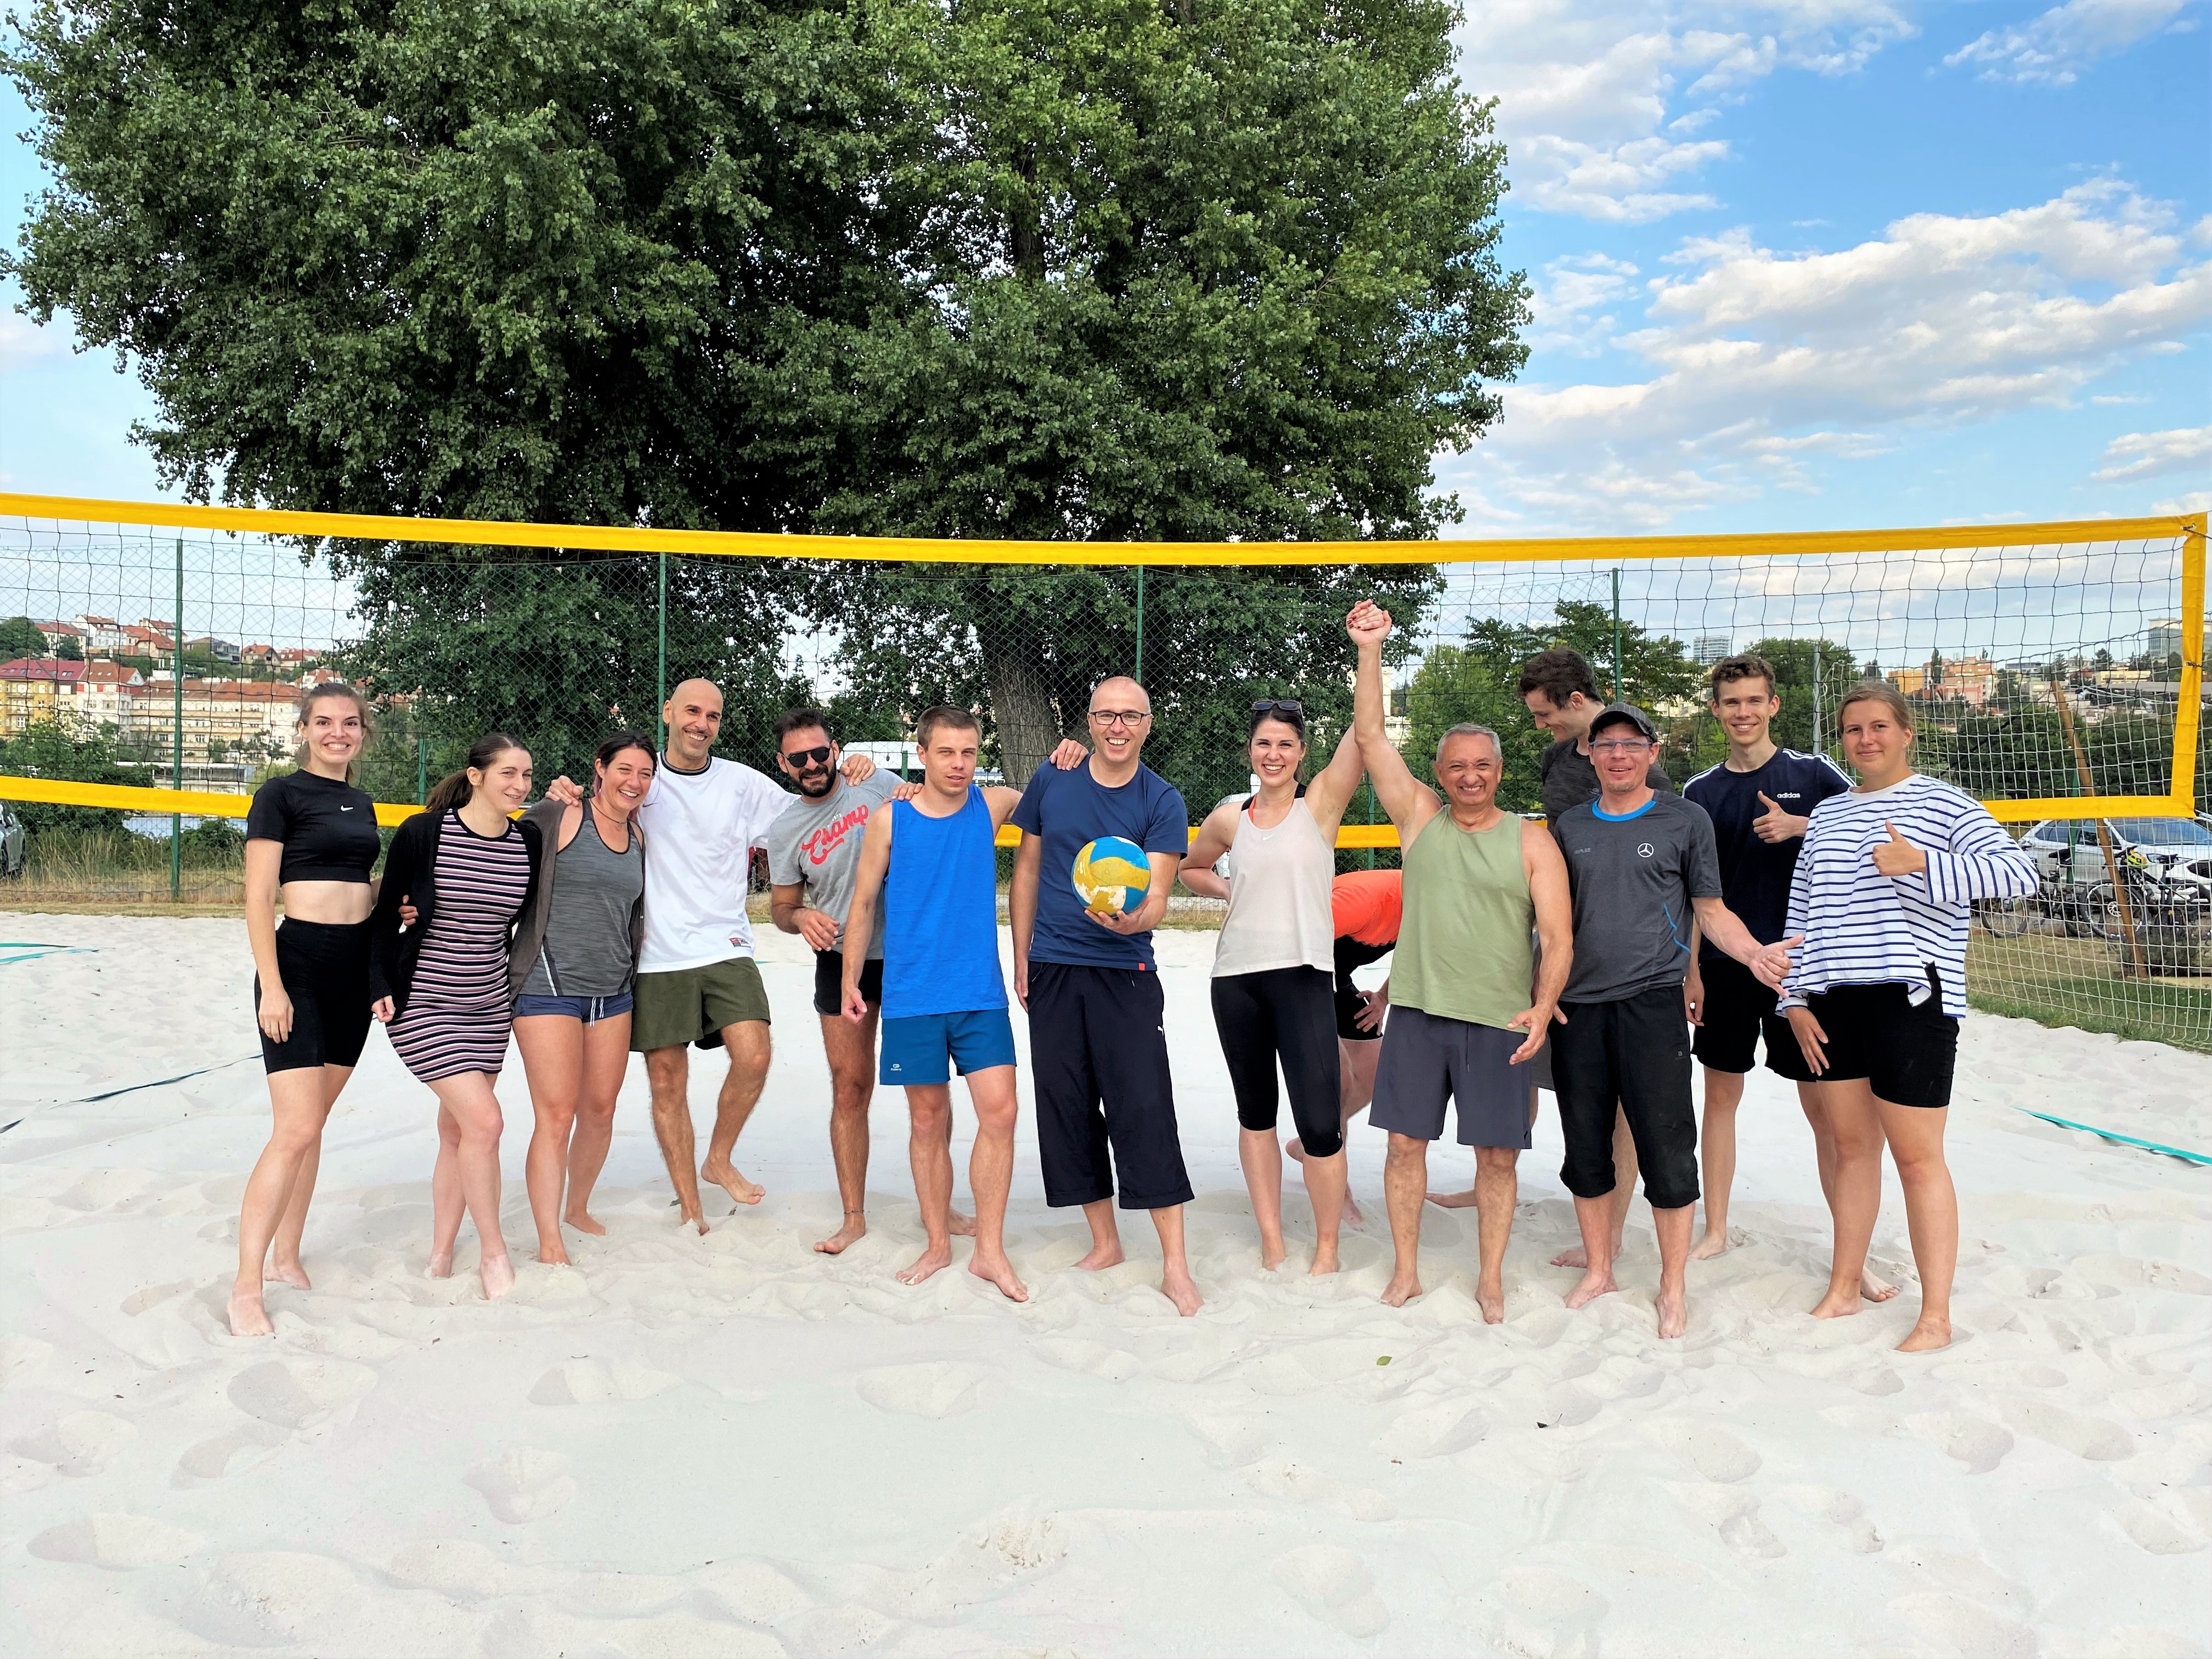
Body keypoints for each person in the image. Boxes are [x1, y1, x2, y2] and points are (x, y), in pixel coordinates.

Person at [1778, 681, 2035, 1353]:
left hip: (1911, 999)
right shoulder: (1830, 815)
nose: (1866, 739)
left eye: (1879, 727)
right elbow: (1803, 913)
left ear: (1906, 732)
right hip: (1834, 1000)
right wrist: (1795, 999)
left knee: (1918, 1160)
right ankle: (1842, 1287)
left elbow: (2022, 876)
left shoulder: (1945, 804)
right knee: (1853, 1150)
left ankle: (1936, 1316)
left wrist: (1923, 861)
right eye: (1854, 729)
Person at [575, 678, 876, 1233]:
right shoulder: (641, 779)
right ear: (668, 712)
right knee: (667, 1081)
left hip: (726, 945)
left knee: (755, 1055)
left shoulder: (743, 784)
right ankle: (691, 1209)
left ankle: (718, 1157)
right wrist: (564, 792)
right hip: (655, 954)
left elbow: (814, 809)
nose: (701, 723)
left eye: (712, 715)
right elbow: (590, 806)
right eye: (691, 711)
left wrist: (860, 771)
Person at [1348, 602, 1573, 1318]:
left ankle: (1490, 1278)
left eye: (1482, 765)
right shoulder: (1419, 820)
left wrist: (1542, 1010)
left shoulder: (1531, 841)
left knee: (1497, 1161)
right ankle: (1407, 1272)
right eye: (1457, 766)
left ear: (1499, 770)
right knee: (1404, 1149)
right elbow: (1372, 736)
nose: (1470, 776)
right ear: (1440, 773)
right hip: (1417, 1014)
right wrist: (1372, 649)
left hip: (1498, 1022)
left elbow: (1560, 939)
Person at [1549, 703, 1792, 1339]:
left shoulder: (1686, 819)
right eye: (1608, 746)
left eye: (1632, 744)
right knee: (1585, 1145)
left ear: (1653, 753)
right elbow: (1547, 923)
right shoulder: (1569, 826)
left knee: (1667, 1148)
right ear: (1594, 756)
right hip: (1578, 1006)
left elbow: (1709, 910)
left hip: (1652, 1003)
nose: (1620, 755)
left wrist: (1752, 953)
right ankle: (1600, 1268)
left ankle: (1672, 1286)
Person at [1009, 675, 1203, 1316]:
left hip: (1124, 971)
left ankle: (1175, 1264)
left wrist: (1133, 922)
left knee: (1143, 1108)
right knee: (1066, 1106)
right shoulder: (1053, 779)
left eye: (1131, 716)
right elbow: (1029, 871)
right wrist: (1021, 957)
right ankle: (1106, 1242)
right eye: (1106, 715)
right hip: (1054, 966)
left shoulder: (1162, 799)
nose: (1118, 726)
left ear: (1149, 724)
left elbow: (1157, 900)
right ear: (1089, 722)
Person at [1678, 656, 1871, 1285]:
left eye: (1753, 701)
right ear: (1715, 710)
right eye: (1731, 702)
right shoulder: (1699, 792)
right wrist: (1693, 972)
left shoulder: (1813, 774)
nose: (1743, 712)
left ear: (1774, 706)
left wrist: (1802, 826)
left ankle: (1851, 1251)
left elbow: (1869, 830)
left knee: (1826, 1110)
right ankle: (1716, 1229)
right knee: (1721, 1096)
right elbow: (1694, 896)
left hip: (1804, 966)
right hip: (1728, 963)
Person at [842, 707, 1032, 1301]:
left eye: (969, 752)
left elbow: (1055, 799)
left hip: (979, 993)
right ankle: (938, 1242)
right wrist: (851, 980)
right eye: (946, 752)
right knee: (927, 1121)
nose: (959, 764)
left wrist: (1072, 755)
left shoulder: (993, 805)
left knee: (1000, 1113)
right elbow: (863, 903)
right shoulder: (890, 820)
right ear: (921, 754)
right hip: (912, 995)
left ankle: (990, 1252)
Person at [1181, 698, 1368, 1275]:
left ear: (1303, 753)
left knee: (1319, 1123)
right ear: (1250, 750)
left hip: (1304, 976)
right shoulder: (1229, 817)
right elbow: (1191, 867)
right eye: (1264, 743)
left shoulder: (1321, 807)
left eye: (1286, 744)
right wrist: (1227, 892)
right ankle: (1272, 1240)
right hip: (1236, 980)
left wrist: (1369, 650)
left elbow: (1365, 730)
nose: (1274, 753)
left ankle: (1328, 1248)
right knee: (1256, 1115)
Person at [229, 682, 383, 1337]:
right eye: (324, 723)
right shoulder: (280, 794)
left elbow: (354, 884)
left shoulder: (364, 801)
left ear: (362, 733)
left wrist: (389, 898)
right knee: (293, 1129)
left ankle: (288, 1256)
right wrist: (272, 985)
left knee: (314, 1124)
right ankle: (244, 1287)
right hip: (298, 966)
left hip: (354, 969)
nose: (338, 733)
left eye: (349, 724)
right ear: (304, 729)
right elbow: (260, 898)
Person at [369, 734, 544, 1301]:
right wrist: (376, 983)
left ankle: (441, 1253)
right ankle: (493, 1254)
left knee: (459, 1132)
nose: (519, 785)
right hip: (422, 1001)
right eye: (508, 774)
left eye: (527, 776)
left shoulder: (528, 842)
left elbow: (518, 924)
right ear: (475, 776)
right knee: (488, 1124)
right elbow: (382, 914)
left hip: (487, 1005)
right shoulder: (425, 833)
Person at [1515, 646, 1675, 1265]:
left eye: (1544, 714)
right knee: (1568, 1091)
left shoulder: (1641, 772)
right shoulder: (1559, 757)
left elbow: (1672, 881)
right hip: (1563, 947)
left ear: (1577, 701)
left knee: (1625, 1112)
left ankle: (1608, 1236)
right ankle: (1584, 1225)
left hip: (1628, 961)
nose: (1540, 726)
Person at [510, 732, 653, 1265]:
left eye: (644, 774)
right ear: (600, 769)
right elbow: (497, 851)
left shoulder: (640, 834)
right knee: (557, 1114)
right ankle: (549, 1239)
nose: (633, 782)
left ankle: (578, 1207)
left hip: (613, 991)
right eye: (624, 770)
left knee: (601, 1109)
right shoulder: (562, 815)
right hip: (549, 988)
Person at [766, 708, 901, 1256]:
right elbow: (780, 906)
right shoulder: (786, 828)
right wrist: (800, 919)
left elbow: (942, 809)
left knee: (925, 1090)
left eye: (820, 753)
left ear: (836, 750)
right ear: (783, 764)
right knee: (850, 1088)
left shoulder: (878, 785)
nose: (812, 764)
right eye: (799, 758)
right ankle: (853, 1216)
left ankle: (941, 1206)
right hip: (842, 959)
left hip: (908, 954)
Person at [1300, 867, 1402, 1223]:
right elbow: (1290, 936)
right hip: (1295, 971)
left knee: (1374, 1070)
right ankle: (1337, 1187)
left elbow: (1415, 955)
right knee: (1339, 1080)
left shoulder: (1436, 904)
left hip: (1333, 974)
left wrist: (1384, 998)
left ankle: (1312, 1141)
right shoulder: (1365, 901)